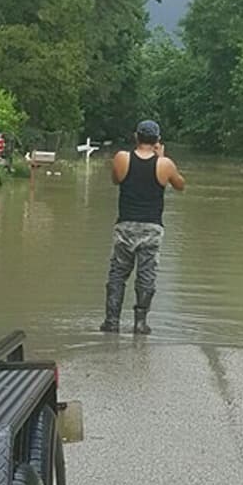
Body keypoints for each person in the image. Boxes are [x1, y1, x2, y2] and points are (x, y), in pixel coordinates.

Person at [100, 120, 185, 335]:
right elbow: (180, 185)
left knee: (118, 273)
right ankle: (140, 323)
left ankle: (111, 321)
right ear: (157, 140)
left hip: (125, 225)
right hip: (151, 228)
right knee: (147, 274)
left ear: (135, 137)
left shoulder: (122, 158)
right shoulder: (165, 164)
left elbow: (115, 180)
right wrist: (162, 157)